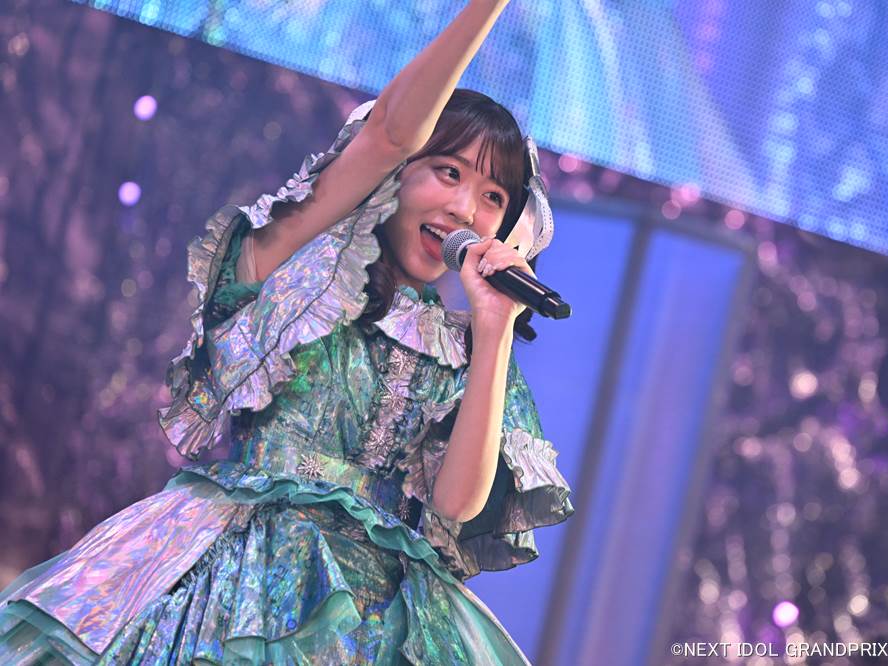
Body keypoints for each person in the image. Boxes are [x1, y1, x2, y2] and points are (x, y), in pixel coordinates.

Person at [0, 0, 573, 663]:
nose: (464, 209)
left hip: (381, 621)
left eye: (493, 198)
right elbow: (389, 133)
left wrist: (494, 330)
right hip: (236, 581)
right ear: (400, 172)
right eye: (449, 172)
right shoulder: (298, 262)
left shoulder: (463, 345)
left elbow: (458, 504)